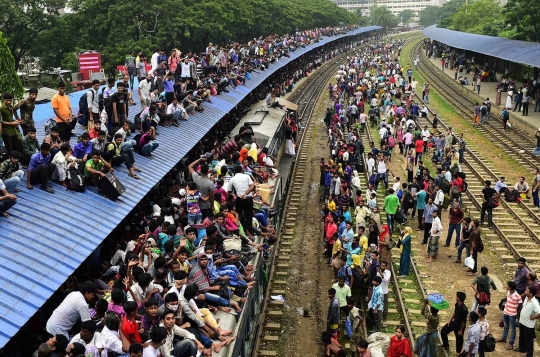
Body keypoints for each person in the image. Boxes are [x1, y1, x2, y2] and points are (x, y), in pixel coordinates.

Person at [497, 281, 522, 350]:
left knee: (513, 329)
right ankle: (504, 338)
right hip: (506, 312)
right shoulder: (508, 293)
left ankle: (511, 343)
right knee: (506, 326)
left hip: (512, 314)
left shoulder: (517, 296)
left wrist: (517, 313)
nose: (506, 286)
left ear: (510, 287)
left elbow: (520, 304)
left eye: (507, 285)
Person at [517, 286, 540, 357]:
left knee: (529, 340)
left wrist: (534, 317)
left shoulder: (535, 303)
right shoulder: (526, 298)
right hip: (522, 321)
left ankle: (529, 354)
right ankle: (522, 348)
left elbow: (539, 312)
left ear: (531, 294)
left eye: (527, 291)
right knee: (522, 336)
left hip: (528, 324)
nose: (525, 291)